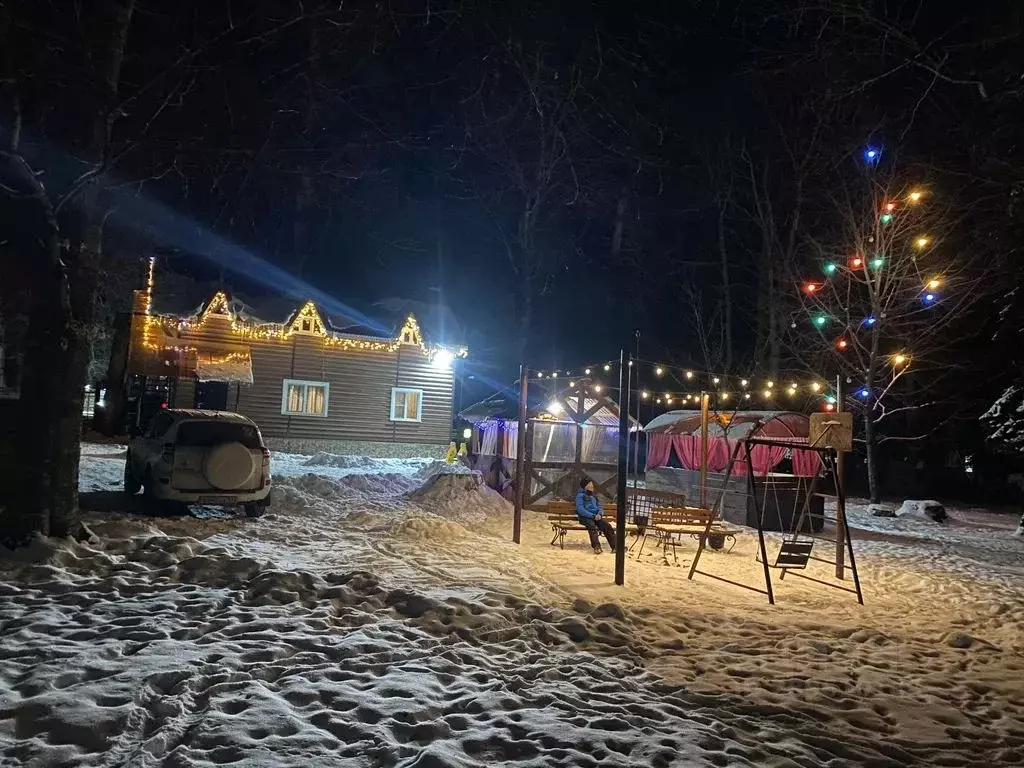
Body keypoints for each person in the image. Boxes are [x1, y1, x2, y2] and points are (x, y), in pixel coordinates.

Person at [575, 478, 616, 554]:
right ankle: (597, 547)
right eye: (590, 484)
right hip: (585, 517)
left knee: (607, 526)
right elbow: (581, 510)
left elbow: (599, 507)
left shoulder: (594, 496)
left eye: (592, 484)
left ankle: (615, 547)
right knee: (592, 526)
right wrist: (593, 516)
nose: (592, 486)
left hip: (596, 517)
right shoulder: (580, 496)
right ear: (585, 486)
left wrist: (600, 514)